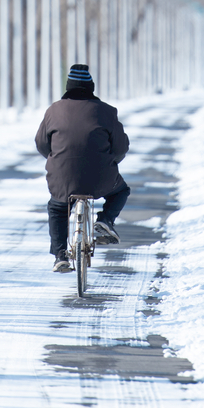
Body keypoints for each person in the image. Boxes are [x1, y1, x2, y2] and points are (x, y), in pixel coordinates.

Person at [35, 63, 130, 272]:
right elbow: (121, 147)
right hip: (101, 178)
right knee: (121, 190)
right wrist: (111, 161)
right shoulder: (106, 111)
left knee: (58, 208)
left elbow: (41, 144)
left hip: (62, 177)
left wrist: (55, 159)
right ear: (91, 87)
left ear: (68, 87)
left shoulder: (53, 111)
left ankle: (60, 255)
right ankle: (105, 221)